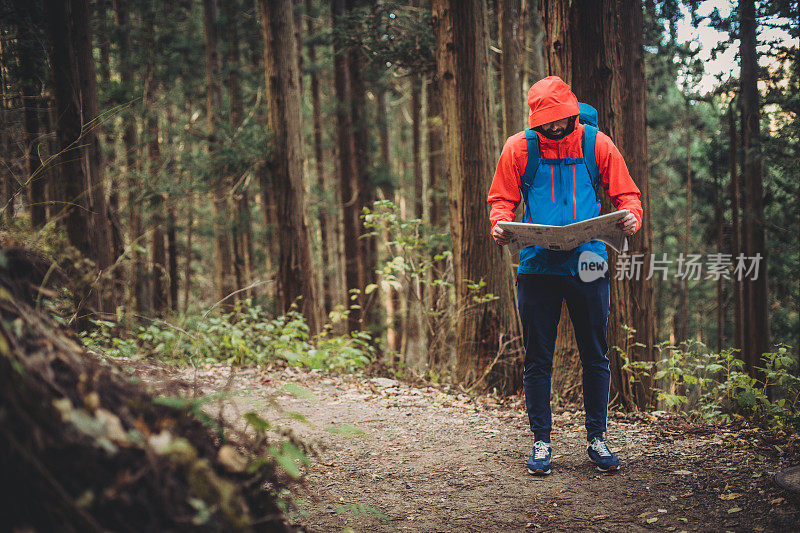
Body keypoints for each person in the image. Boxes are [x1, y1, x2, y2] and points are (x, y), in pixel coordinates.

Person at [487, 76, 642, 475]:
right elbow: (502, 200)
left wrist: (631, 219)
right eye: (547, 121)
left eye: (561, 119)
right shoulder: (519, 147)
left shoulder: (597, 143)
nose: (555, 127)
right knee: (538, 357)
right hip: (537, 263)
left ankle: (597, 438)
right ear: (535, 118)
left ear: (573, 111)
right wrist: (501, 226)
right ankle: (541, 442)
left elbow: (627, 195)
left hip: (589, 260)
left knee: (596, 350)